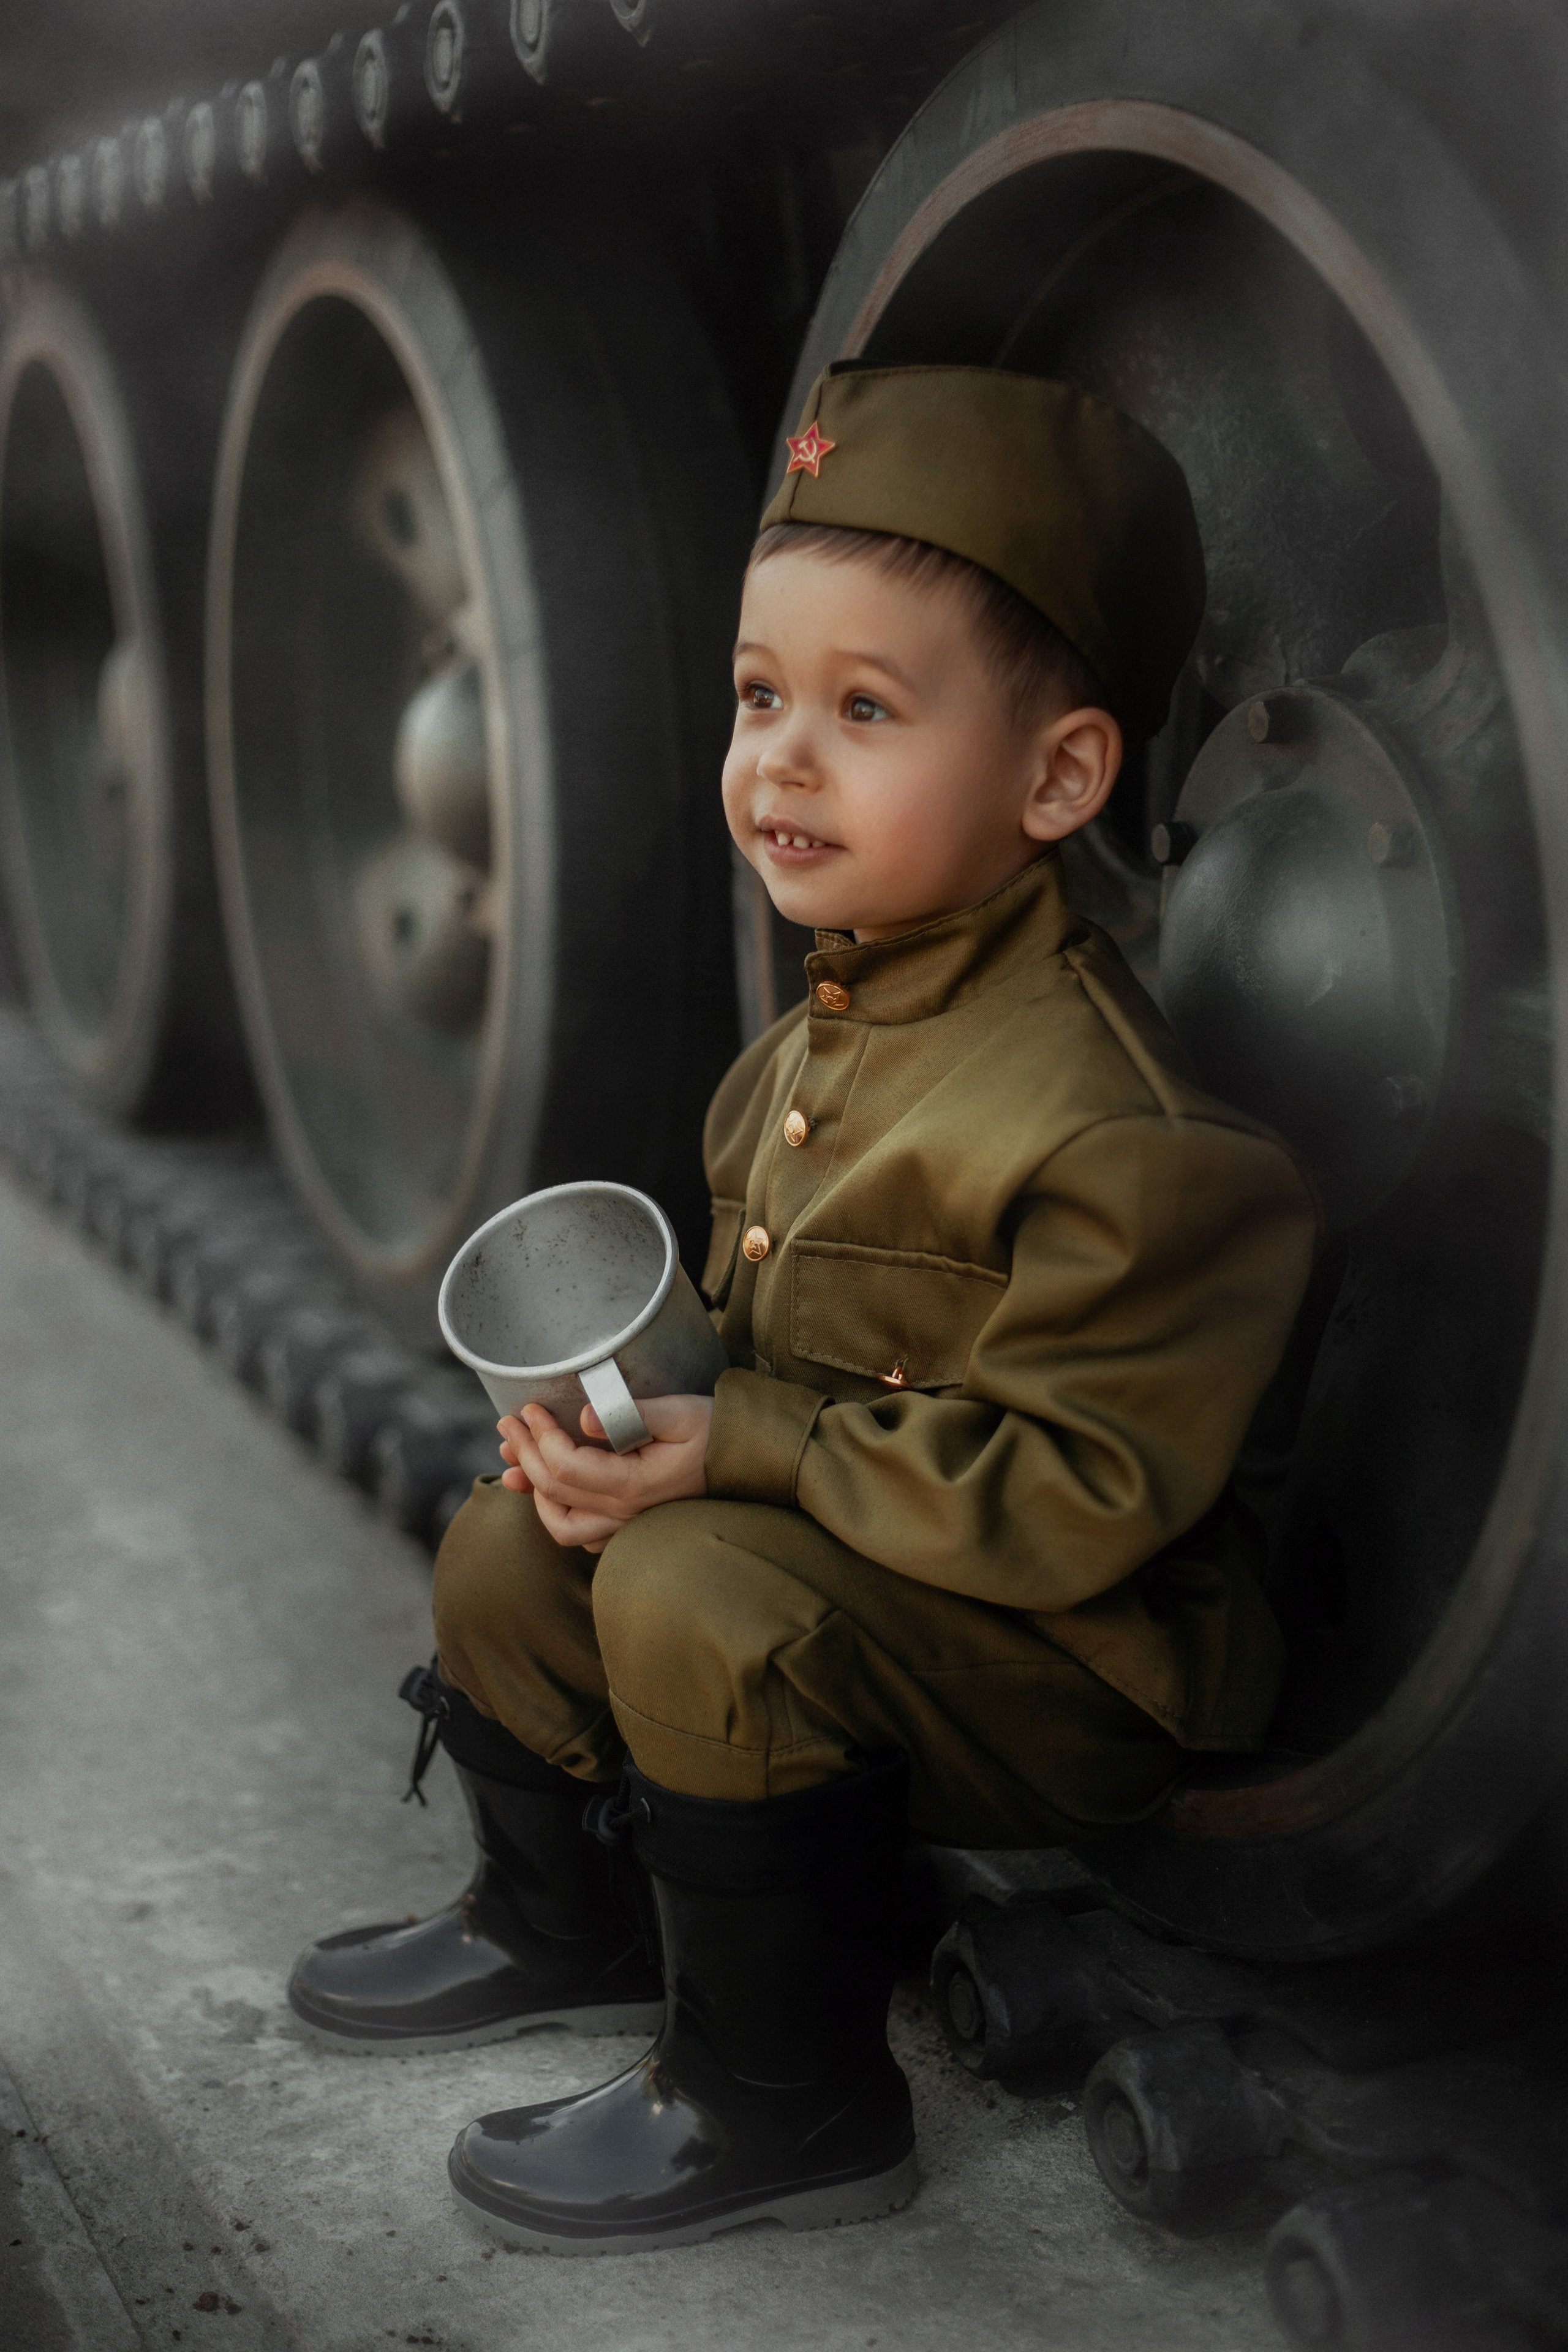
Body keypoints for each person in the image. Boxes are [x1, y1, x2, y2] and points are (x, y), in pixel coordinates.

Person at [288, 363, 1319, 2253]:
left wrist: (727, 1459)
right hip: (877, 1584)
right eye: (762, 698)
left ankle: (786, 2099)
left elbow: (1079, 1497)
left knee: (694, 1596)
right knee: (524, 1544)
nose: (781, 758)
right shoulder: (796, 1064)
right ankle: (561, 1924)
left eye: (864, 711)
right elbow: (761, 1367)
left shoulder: (1123, 1133)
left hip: (1073, 1674)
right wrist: (623, 1439)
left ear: (1060, 777)